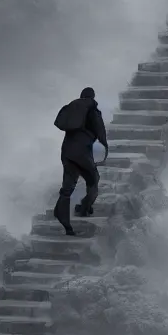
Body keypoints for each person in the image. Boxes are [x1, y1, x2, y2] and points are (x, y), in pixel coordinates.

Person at [52, 87, 108, 237]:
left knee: (68, 187)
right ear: (92, 97)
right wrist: (105, 148)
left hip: (67, 152)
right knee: (93, 180)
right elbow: (101, 132)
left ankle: (64, 220)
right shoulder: (92, 111)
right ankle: (84, 207)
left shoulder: (74, 110)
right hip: (82, 153)